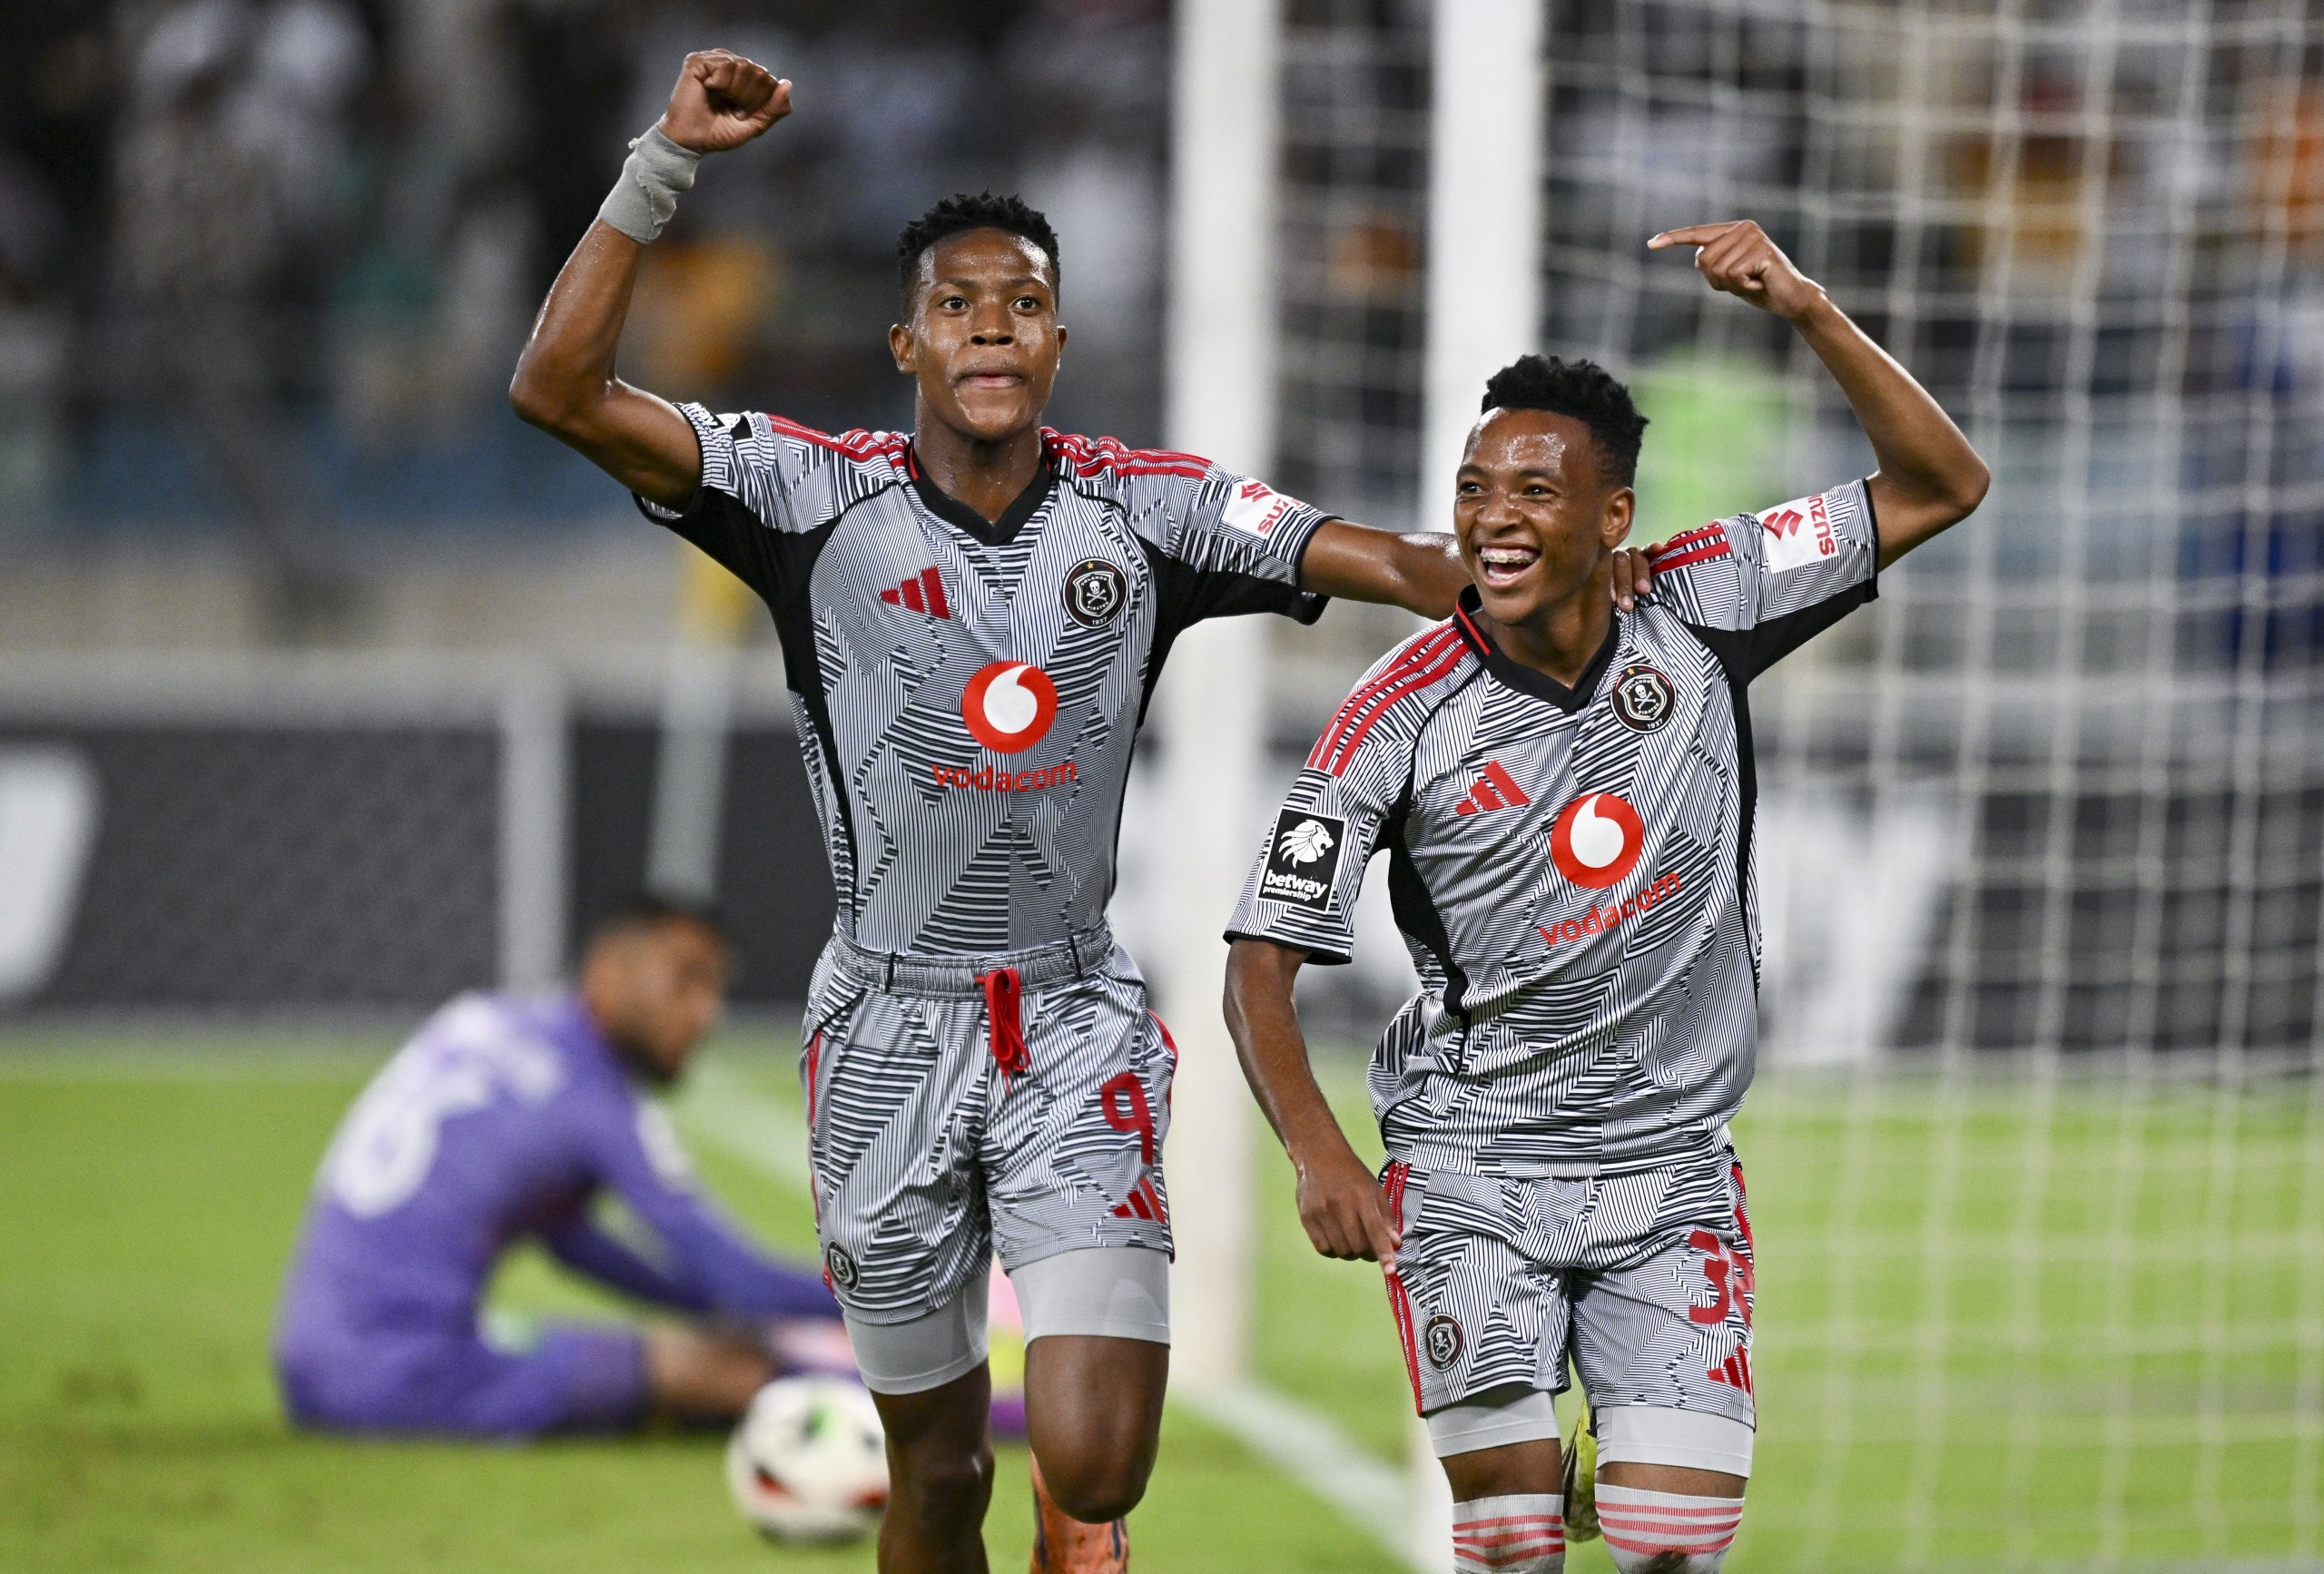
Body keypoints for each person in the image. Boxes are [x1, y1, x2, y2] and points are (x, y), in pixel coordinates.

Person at [507, 48, 1658, 1574]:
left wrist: (1557, 575)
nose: (996, 322)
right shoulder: (801, 494)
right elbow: (555, 388)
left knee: (1095, 1459)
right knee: (925, 1478)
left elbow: (1390, 558)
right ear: (908, 338)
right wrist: (666, 154)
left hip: (1070, 1021)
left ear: (1058, 337)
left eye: (1027, 301)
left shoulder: (1150, 509)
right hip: (882, 1035)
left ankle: (1078, 1524)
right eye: (963, 303)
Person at [1221, 221, 1988, 1574]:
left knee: (1672, 1548)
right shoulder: (1391, 715)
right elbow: (1260, 960)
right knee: (1514, 1534)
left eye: (1533, 488)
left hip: (1671, 1167)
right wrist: (1320, 1151)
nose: (1494, 516)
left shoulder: (1705, 603)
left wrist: (1805, 309)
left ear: (1612, 515)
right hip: (1472, 1163)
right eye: (1475, 488)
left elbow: (1943, 480)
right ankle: (1532, 1474)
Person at [273, 894, 842, 1439]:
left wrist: (716, 1310)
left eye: (716, 988)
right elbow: (737, 1280)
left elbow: (571, 1242)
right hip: (400, 1378)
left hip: (314, 1360)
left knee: (684, 1344)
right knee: (728, 1372)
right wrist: (882, 1307)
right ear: (608, 971)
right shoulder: (593, 1101)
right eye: (686, 980)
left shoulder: (483, 1019)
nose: (706, 1013)